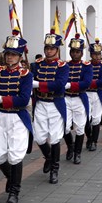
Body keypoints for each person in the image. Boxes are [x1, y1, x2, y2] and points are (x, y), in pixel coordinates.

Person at [0, 27, 33, 203]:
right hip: (1, 117)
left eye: (14, 54)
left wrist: (3, 99)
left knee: (15, 156)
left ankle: (14, 190)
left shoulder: (26, 75)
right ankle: (11, 176)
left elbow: (23, 99)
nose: (9, 57)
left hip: (17, 117)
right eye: (8, 54)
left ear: (20, 56)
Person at [33, 28, 69, 184]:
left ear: (57, 49)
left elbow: (60, 84)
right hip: (41, 102)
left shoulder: (62, 66)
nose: (49, 51)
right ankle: (48, 157)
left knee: (54, 138)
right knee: (39, 137)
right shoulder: (37, 64)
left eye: (52, 48)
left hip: (55, 103)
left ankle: (55, 168)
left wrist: (38, 84)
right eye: (47, 48)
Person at [63, 34, 92, 164]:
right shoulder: (64, 65)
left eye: (78, 52)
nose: (75, 54)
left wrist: (71, 85)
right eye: (73, 51)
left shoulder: (86, 66)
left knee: (80, 127)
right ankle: (70, 146)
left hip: (79, 98)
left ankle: (77, 153)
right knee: (65, 127)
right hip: (66, 98)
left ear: (81, 53)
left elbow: (87, 82)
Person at [84, 38, 102, 152]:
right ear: (91, 54)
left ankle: (94, 141)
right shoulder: (85, 65)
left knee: (96, 119)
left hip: (98, 94)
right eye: (95, 54)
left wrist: (88, 83)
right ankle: (89, 137)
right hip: (86, 94)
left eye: (99, 54)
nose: (97, 57)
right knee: (85, 119)